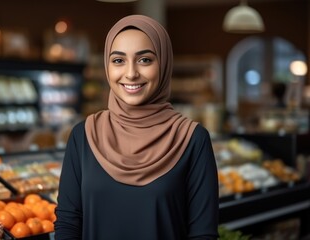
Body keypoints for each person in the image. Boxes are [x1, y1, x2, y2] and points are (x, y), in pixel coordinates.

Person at [55, 14, 219, 240]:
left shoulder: (192, 139)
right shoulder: (84, 135)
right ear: (107, 66)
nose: (131, 73)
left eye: (145, 60)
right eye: (118, 60)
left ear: (163, 63)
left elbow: (203, 235)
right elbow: (68, 223)